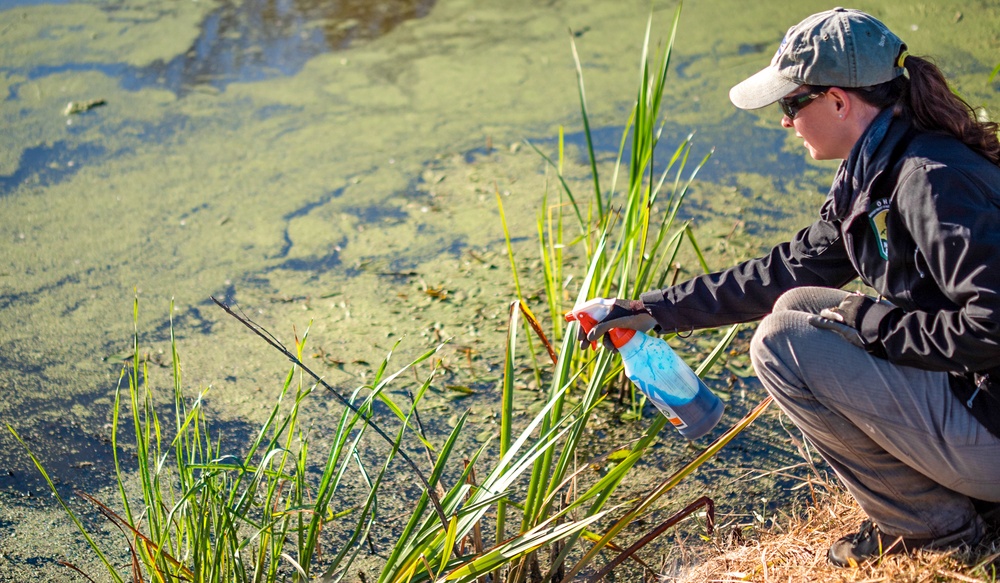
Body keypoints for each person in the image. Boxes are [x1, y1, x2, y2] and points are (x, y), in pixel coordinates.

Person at [580, 7, 1000, 567]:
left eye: (789, 104)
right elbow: (788, 271)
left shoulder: (930, 179)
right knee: (799, 307)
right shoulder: (883, 162)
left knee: (778, 344)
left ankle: (935, 528)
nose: (784, 122)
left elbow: (990, 328)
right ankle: (961, 504)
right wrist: (652, 310)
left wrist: (870, 322)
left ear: (838, 100)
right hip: (982, 404)